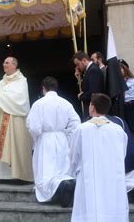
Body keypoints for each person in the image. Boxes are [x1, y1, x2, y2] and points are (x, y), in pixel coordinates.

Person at [69, 93, 128, 221]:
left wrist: (74, 170)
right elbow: (122, 154)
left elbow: (74, 155)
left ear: (92, 107)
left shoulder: (81, 129)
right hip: (112, 177)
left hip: (88, 176)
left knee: (88, 207)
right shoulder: (118, 130)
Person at [26, 76, 80, 206]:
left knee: (46, 171)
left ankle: (59, 188)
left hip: (45, 139)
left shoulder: (39, 104)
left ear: (43, 88)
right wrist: (67, 136)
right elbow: (76, 123)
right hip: (61, 139)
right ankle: (65, 185)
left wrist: (37, 138)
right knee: (61, 168)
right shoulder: (65, 103)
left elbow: (33, 127)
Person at [72, 51, 104, 121]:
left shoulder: (93, 70)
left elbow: (94, 92)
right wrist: (79, 77)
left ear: (84, 60)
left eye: (78, 64)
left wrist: (81, 96)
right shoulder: (89, 70)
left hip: (94, 109)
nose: (77, 67)